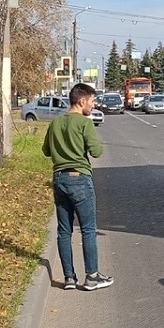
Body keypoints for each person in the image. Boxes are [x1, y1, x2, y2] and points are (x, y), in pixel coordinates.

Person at [42, 83, 113, 291]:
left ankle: (69, 278)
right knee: (88, 229)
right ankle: (92, 276)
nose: (93, 105)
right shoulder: (84, 123)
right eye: (91, 101)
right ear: (81, 101)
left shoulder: (55, 123)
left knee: (64, 230)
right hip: (79, 178)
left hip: (59, 178)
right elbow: (96, 152)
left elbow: (46, 151)